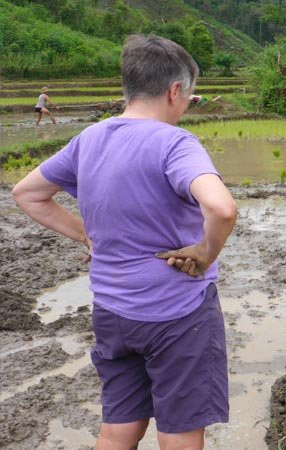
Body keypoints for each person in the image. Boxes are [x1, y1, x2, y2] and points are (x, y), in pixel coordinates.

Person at [12, 34, 237, 449]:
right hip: (178, 313)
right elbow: (222, 208)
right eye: (187, 96)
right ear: (174, 91)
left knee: (117, 433)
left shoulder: (89, 139)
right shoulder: (175, 143)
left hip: (113, 312)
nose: (186, 106)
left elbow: (27, 193)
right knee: (180, 433)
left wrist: (86, 235)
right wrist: (205, 254)